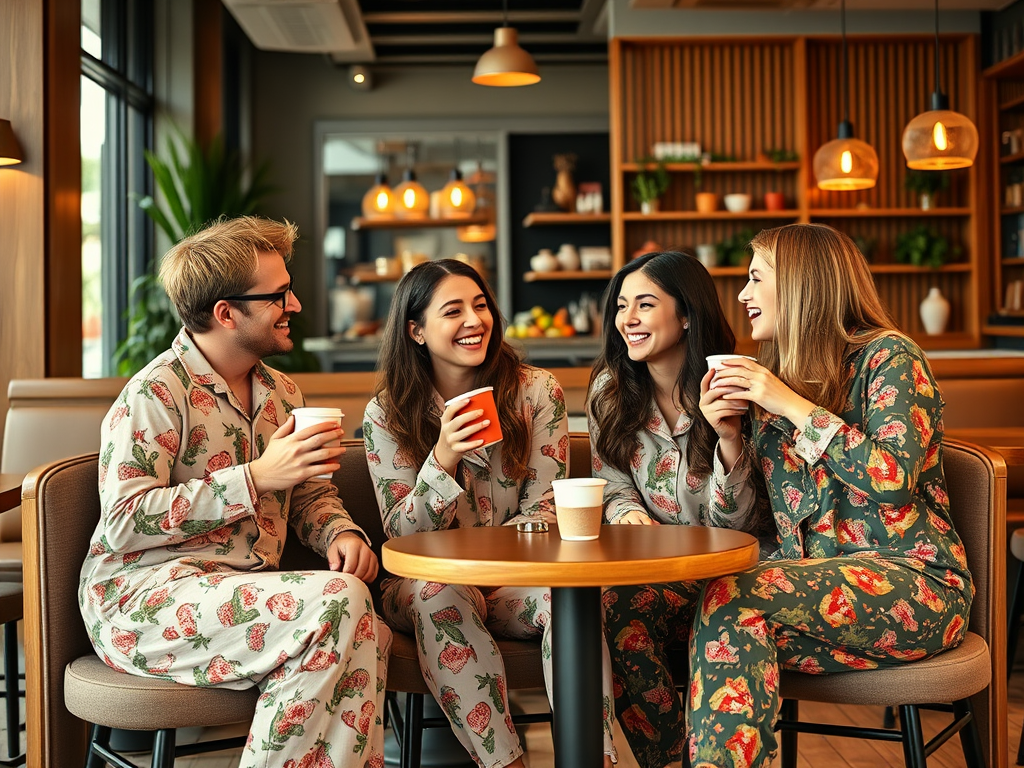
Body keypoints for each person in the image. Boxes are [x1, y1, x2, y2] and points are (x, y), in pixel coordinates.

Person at [80, 216, 391, 768]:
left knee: (364, 624)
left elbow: (311, 493)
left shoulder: (283, 392)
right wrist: (255, 478)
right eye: (279, 295)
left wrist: (340, 531)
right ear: (226, 313)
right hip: (144, 599)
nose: (294, 304)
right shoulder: (154, 392)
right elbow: (124, 520)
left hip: (244, 594)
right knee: (340, 607)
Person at [685, 223, 972, 768]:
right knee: (648, 612)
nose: (742, 296)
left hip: (917, 587)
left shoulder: (889, 358)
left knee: (731, 601)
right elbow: (753, 524)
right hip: (811, 597)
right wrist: (728, 441)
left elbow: (891, 480)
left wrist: (788, 403)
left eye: (755, 278)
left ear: (799, 284)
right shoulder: (776, 382)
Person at [363, 258, 619, 768]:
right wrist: (443, 458)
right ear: (415, 330)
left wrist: (505, 568)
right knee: (439, 593)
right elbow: (401, 535)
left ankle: (597, 760)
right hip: (424, 584)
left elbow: (546, 507)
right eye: (453, 310)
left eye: (480, 305)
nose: (474, 320)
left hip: (515, 582)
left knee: (568, 597)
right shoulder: (386, 412)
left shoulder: (535, 390)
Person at [589, 250, 759, 768]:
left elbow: (743, 524)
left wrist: (729, 440)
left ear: (686, 313)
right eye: (622, 306)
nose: (628, 320)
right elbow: (612, 484)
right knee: (611, 605)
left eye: (645, 304)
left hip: (734, 572)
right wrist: (624, 514)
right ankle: (668, 760)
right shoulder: (610, 392)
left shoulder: (736, 386)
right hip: (654, 574)